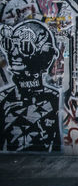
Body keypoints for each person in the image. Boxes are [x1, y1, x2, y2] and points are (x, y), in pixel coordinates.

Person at [0, 20, 60, 151]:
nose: (14, 54)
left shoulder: (54, 100)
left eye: (25, 47)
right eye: (10, 45)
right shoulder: (4, 99)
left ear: (43, 55)